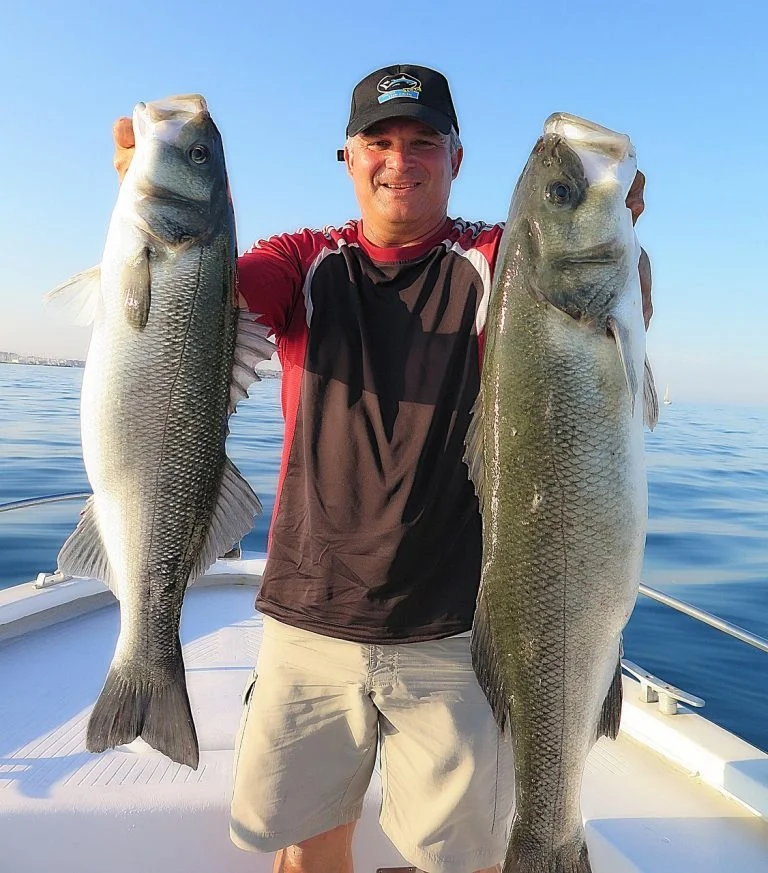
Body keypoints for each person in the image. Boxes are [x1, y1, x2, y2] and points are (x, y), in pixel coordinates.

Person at [113, 64, 652, 873]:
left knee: (460, 857)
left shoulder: (501, 261)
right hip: (307, 620)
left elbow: (606, 307)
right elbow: (198, 301)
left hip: (453, 629)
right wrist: (146, 198)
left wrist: (613, 232)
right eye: (380, 141)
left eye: (423, 142)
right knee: (306, 849)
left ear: (456, 159)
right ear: (349, 157)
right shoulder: (304, 259)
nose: (400, 160)